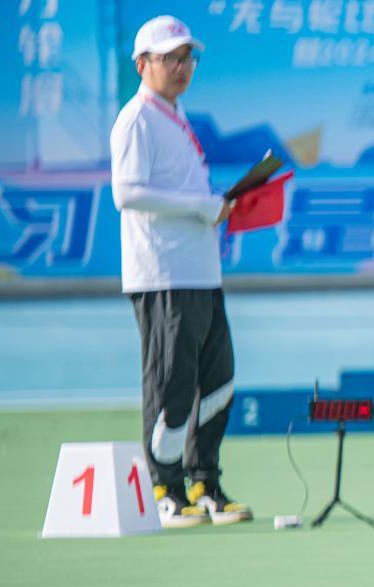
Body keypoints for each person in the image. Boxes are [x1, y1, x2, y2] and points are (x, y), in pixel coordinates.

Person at [110, 15, 252, 528]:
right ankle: (165, 490)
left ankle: (204, 480)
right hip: (162, 275)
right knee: (171, 384)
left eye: (187, 57)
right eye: (170, 57)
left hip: (201, 272)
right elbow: (126, 193)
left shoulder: (175, 114)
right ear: (142, 63)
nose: (181, 66)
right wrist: (197, 206)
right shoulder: (135, 119)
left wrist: (213, 206)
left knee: (219, 379)